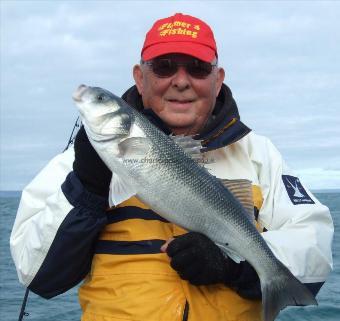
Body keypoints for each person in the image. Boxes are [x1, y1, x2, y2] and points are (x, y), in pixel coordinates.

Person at [10, 13, 333, 321]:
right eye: (164, 68)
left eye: (198, 68)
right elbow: (36, 273)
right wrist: (87, 188)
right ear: (140, 77)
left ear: (217, 80)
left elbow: (313, 246)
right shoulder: (78, 163)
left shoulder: (260, 154)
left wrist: (233, 265)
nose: (181, 81)